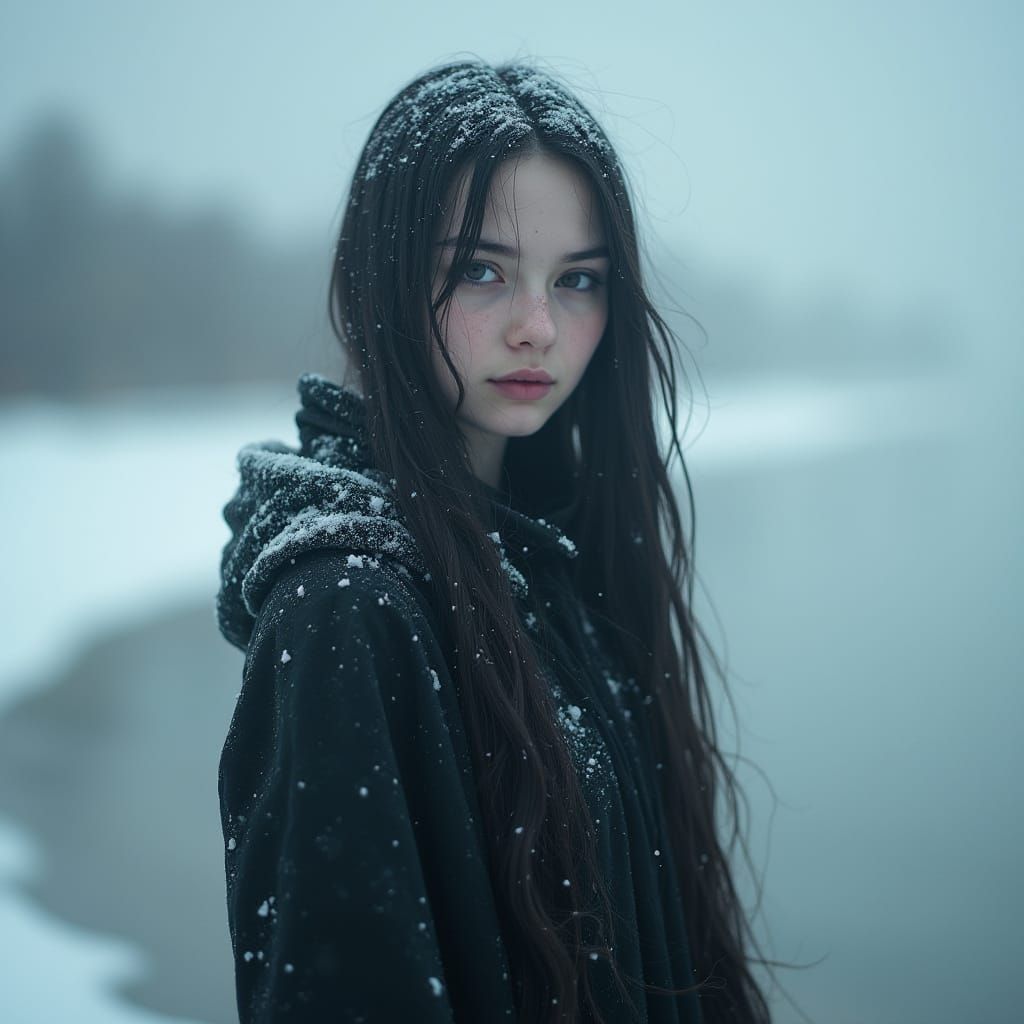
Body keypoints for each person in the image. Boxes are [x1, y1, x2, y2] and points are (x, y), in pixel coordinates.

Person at [216, 61, 774, 1023]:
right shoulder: (348, 608)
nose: (538, 327)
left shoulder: (560, 561)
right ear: (379, 276)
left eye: (579, 280)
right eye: (482, 270)